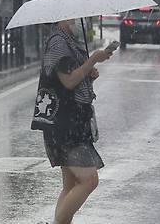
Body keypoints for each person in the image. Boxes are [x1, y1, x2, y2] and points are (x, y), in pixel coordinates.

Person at [38, 19, 115, 224]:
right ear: (61, 17)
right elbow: (69, 81)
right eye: (71, 16)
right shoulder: (58, 43)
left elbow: (73, 76)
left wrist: (89, 74)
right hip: (64, 123)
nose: (74, 20)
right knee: (89, 180)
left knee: (71, 185)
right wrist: (93, 60)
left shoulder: (69, 41)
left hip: (74, 120)